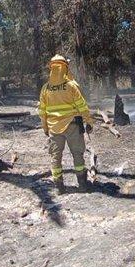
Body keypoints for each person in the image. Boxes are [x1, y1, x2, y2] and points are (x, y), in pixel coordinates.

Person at [38, 55, 94, 193]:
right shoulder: (71, 86)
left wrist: (45, 128)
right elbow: (82, 106)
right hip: (73, 126)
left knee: (55, 157)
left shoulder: (45, 88)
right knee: (77, 154)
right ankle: (82, 185)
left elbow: (42, 112)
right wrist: (89, 121)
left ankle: (59, 187)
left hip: (54, 129)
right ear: (65, 68)